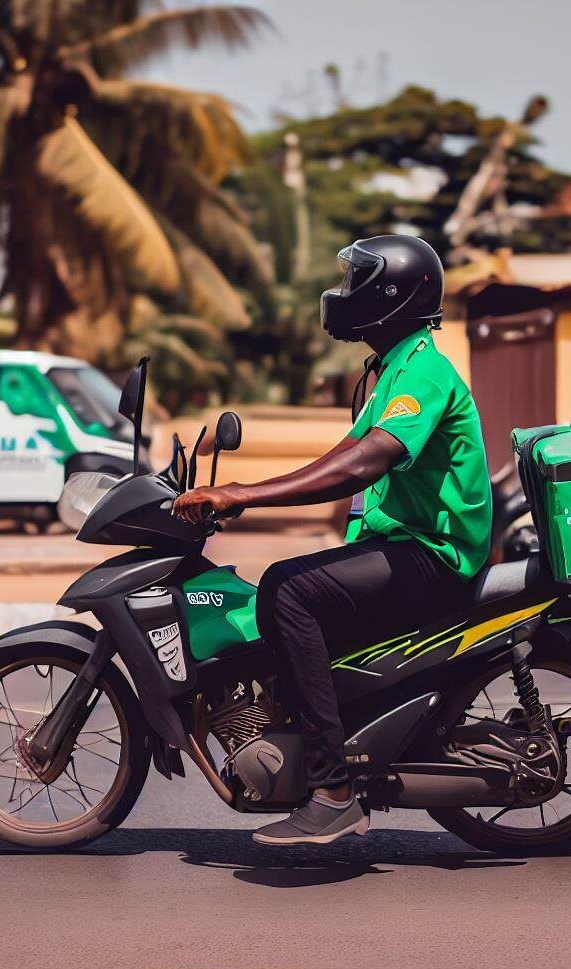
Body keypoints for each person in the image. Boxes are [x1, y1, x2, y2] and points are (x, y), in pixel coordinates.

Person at [173, 235, 492, 846]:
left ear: (392, 296)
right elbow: (342, 455)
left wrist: (246, 495)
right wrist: (244, 491)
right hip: (405, 544)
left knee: (289, 591)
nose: (344, 295)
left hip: (435, 554)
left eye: (358, 282)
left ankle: (333, 789)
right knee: (291, 590)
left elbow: (363, 465)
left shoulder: (421, 373)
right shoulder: (396, 366)